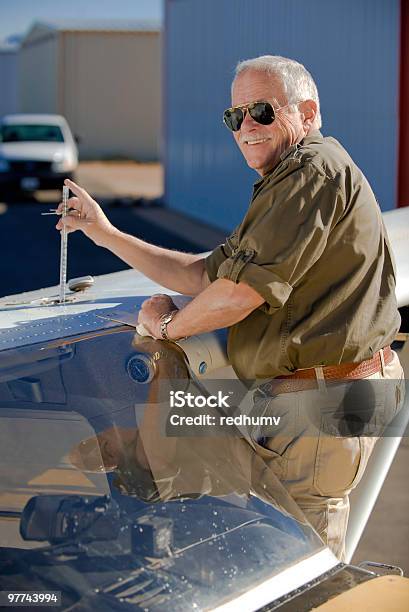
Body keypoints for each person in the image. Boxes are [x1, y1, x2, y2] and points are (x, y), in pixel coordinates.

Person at [56, 55, 404, 559]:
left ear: (306, 112)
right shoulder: (293, 178)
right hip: (309, 400)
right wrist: (106, 234)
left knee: (298, 564)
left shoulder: (310, 174)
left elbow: (239, 295)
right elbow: (205, 275)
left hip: (322, 407)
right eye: (234, 116)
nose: (246, 127)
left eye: (262, 111)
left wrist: (168, 327)